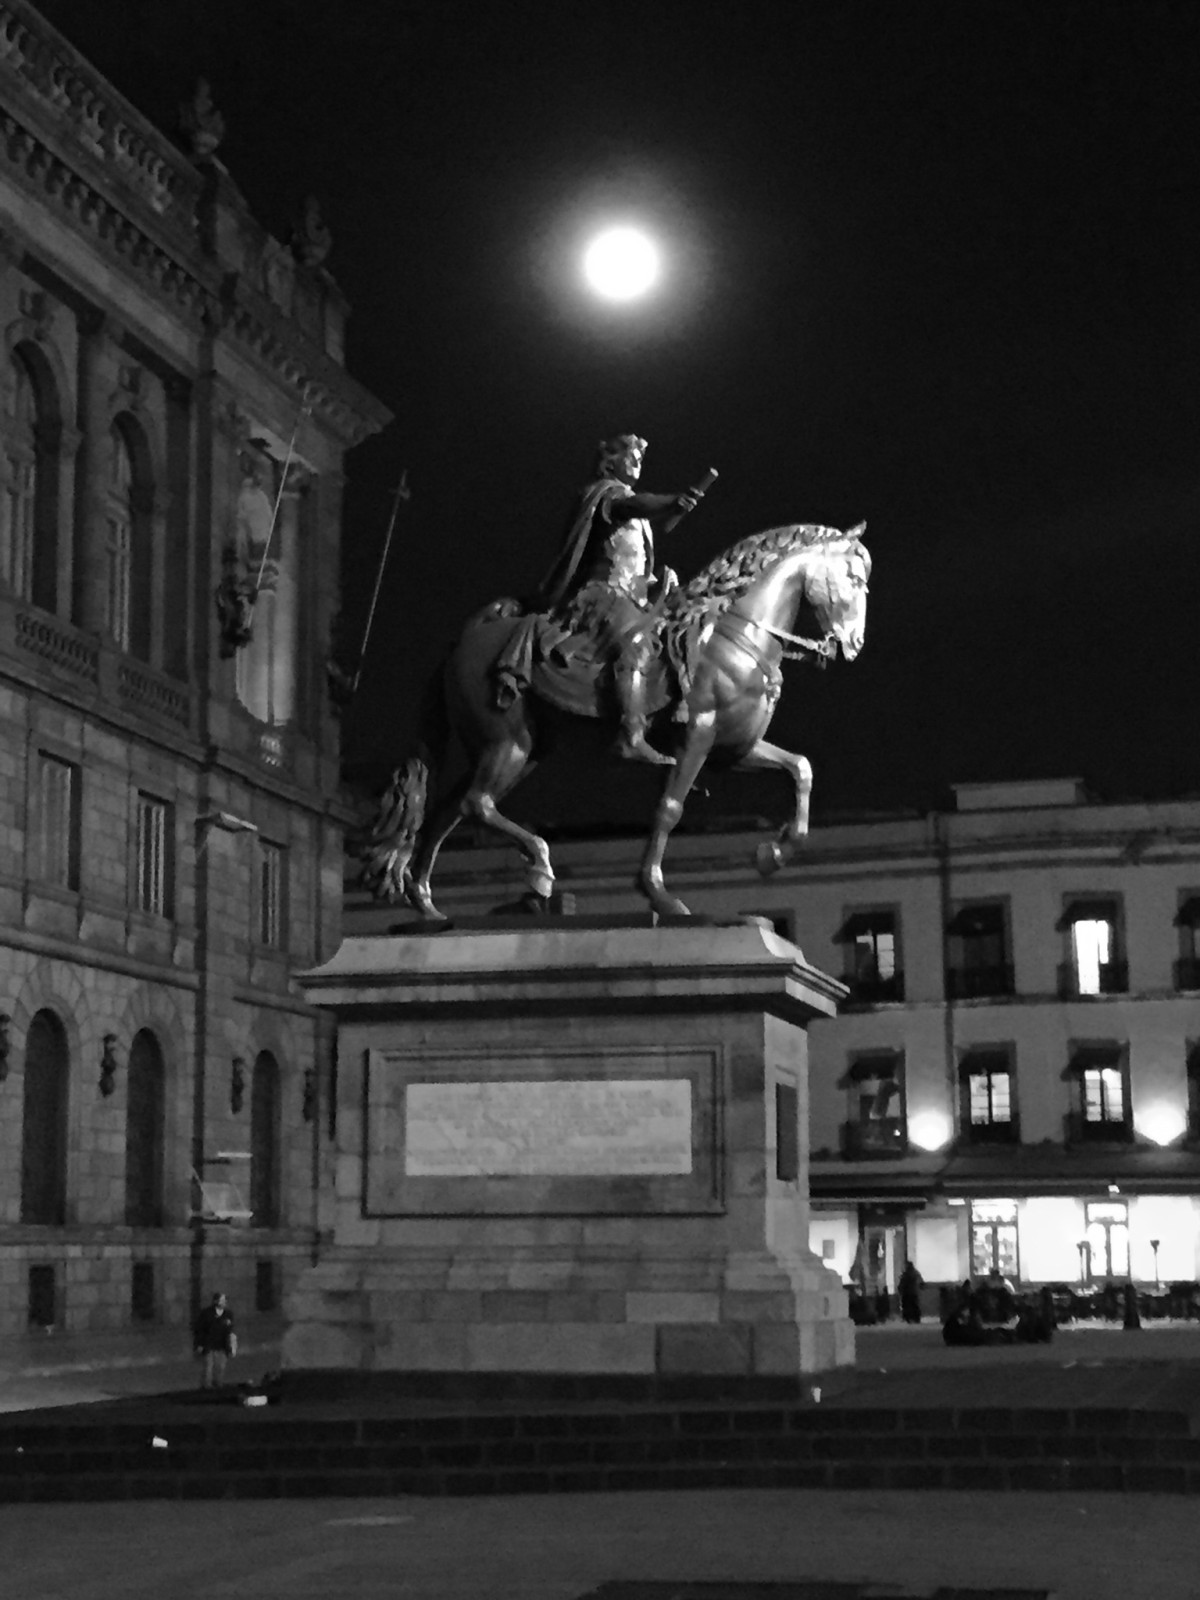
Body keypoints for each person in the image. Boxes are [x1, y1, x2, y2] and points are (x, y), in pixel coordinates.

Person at [537, 434, 705, 765]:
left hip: (630, 596)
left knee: (681, 632)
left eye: (640, 458)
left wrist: (659, 583)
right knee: (638, 641)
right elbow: (632, 505)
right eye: (630, 456)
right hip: (602, 593)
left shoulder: (634, 511)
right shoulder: (603, 494)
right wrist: (671, 502)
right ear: (610, 461)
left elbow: (638, 567)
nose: (637, 462)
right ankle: (630, 735)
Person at [193, 1290, 237, 1391]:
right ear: (216, 1301)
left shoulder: (228, 1314)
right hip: (209, 1346)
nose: (224, 1302)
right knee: (208, 1369)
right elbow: (200, 1330)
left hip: (222, 1346)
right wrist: (199, 1344)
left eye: (225, 1300)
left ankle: (218, 1387)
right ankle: (206, 1389)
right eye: (222, 1300)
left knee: (220, 1369)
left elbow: (230, 1332)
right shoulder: (207, 1314)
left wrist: (232, 1346)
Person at [898, 1259, 924, 1324]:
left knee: (907, 1306)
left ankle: (908, 1318)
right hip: (914, 1292)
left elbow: (902, 1283)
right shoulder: (916, 1273)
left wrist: (900, 1290)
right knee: (914, 1305)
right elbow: (921, 1282)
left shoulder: (905, 1274)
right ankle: (916, 1318)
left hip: (907, 1293)